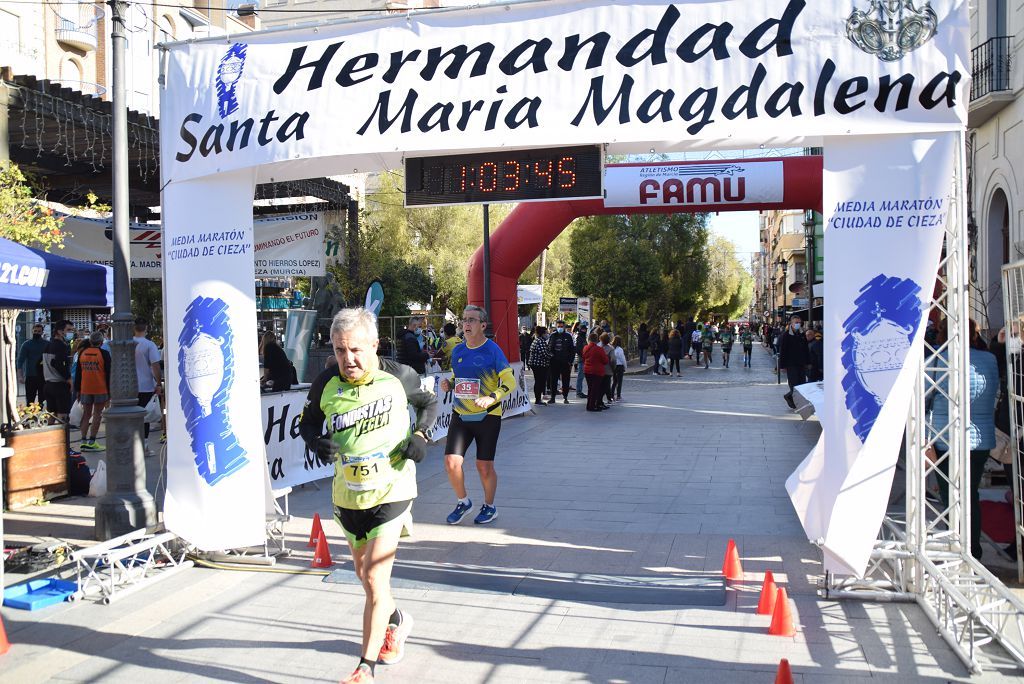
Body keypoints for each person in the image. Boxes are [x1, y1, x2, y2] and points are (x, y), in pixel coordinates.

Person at [299, 308, 428, 684]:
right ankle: (396, 620)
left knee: (373, 576)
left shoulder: (399, 375)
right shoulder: (326, 382)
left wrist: (420, 437)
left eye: (356, 350)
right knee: (364, 575)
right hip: (349, 497)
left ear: (375, 344)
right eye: (340, 351)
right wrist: (316, 443)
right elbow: (308, 424)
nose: (348, 359)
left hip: (393, 488)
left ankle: (364, 668)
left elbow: (428, 404)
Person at [926, 319, 998, 560]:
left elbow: (923, 398)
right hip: (980, 439)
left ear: (943, 333)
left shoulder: (939, 359)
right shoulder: (989, 359)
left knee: (950, 499)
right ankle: (973, 551)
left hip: (945, 437)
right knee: (971, 496)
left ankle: (957, 550)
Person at [440, 305, 515, 526]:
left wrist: (493, 397)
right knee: (451, 462)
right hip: (461, 415)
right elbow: (457, 377)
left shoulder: (493, 350)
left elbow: (509, 381)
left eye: (471, 320)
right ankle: (463, 501)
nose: (466, 324)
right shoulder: (458, 351)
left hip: (488, 415)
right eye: (464, 320)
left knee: (484, 466)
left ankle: (490, 507)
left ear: (483, 325)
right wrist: (449, 383)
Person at [75, 331, 111, 451]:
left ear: (90, 341)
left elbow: (78, 374)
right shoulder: (104, 354)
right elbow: (109, 373)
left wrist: (77, 390)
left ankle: (83, 440)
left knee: (86, 414)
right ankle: (92, 441)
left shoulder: (82, 353)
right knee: (97, 414)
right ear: (101, 343)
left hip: (85, 388)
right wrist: (110, 392)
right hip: (100, 388)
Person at [133, 319, 163, 456]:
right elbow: (155, 365)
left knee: (131, 417)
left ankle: (132, 445)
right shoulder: (149, 345)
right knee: (144, 417)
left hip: (129, 386)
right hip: (145, 385)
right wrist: (158, 383)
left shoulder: (128, 343)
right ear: (146, 329)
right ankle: (143, 446)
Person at [42, 319, 75, 422]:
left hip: (48, 384)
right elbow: (58, 364)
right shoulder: (61, 346)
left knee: (51, 414)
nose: (71, 332)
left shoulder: (48, 345)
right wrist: (68, 378)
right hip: (60, 385)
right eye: (68, 330)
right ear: (60, 331)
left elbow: (39, 364)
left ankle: (50, 435)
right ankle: (63, 437)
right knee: (63, 416)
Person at [777, 315, 809, 409]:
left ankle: (789, 397)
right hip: (791, 364)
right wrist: (782, 366)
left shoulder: (802, 334)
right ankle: (795, 402)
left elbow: (806, 349)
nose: (798, 324)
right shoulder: (786, 335)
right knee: (794, 384)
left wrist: (808, 362)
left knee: (802, 384)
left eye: (799, 322)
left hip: (801, 363)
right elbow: (783, 351)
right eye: (796, 322)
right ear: (791, 323)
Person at [17, 323, 47, 405]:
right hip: (30, 376)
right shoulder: (27, 344)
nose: (37, 333)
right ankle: (30, 417)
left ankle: (43, 417)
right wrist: (20, 376)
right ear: (32, 331)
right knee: (30, 400)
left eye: (39, 331)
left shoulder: (47, 344)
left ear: (42, 332)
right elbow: (20, 361)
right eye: (35, 331)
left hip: (44, 377)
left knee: (43, 400)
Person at [547, 319, 575, 404]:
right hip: (554, 362)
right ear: (556, 326)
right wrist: (550, 358)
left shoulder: (568, 336)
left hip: (565, 362)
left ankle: (565, 397)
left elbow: (572, 350)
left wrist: (570, 361)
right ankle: (553, 397)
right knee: (553, 380)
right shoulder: (552, 336)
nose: (560, 328)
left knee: (566, 380)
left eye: (561, 326)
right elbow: (549, 348)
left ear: (564, 327)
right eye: (558, 326)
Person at [581, 332, 609, 412]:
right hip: (597, 371)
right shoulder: (599, 349)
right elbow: (605, 361)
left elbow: (583, 358)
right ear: (597, 340)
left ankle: (589, 404)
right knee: (595, 389)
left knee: (590, 388)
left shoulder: (585, 348)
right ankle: (592, 406)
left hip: (587, 370)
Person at [527, 326, 551, 406]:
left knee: (539, 381)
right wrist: (551, 356)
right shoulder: (540, 341)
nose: (547, 334)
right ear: (542, 333)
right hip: (538, 364)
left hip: (536, 364)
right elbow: (544, 353)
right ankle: (538, 399)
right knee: (539, 381)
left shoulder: (538, 340)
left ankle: (538, 398)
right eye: (546, 333)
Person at [599, 332, 615, 406]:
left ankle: (600, 399)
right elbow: (613, 360)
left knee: (600, 385)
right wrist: (613, 368)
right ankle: (606, 399)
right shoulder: (610, 349)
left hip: (599, 369)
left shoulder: (598, 347)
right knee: (606, 385)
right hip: (607, 369)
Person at [574, 322, 589, 397]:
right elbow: (578, 349)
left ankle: (580, 391)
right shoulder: (579, 338)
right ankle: (578, 392)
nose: (584, 331)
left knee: (583, 376)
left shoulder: (583, 337)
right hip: (582, 360)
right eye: (583, 329)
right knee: (580, 376)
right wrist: (583, 355)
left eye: (585, 329)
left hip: (585, 359)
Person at [611, 335, 626, 400]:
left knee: (614, 381)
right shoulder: (620, 349)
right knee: (619, 382)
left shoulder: (612, 348)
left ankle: (611, 395)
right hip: (620, 366)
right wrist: (625, 367)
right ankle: (618, 395)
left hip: (614, 366)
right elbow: (623, 359)